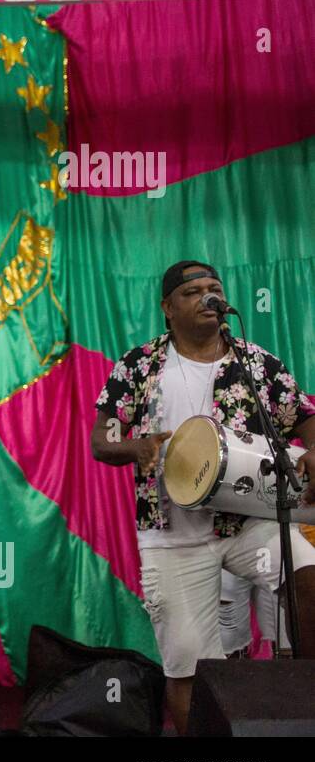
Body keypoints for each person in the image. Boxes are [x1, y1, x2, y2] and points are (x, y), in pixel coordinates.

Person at [90, 261, 315, 733]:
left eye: (214, 289)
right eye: (193, 292)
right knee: (189, 663)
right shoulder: (139, 365)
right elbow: (101, 440)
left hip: (250, 520)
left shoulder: (255, 362)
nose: (208, 297)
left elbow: (305, 421)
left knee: (309, 575)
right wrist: (135, 446)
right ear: (168, 308)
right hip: (173, 532)